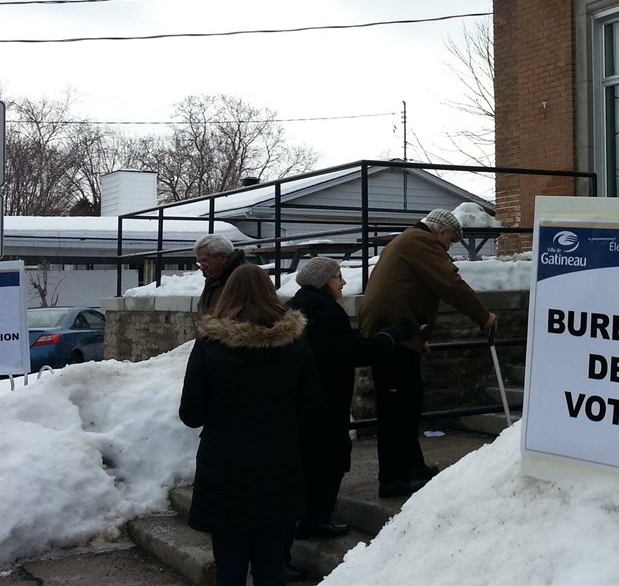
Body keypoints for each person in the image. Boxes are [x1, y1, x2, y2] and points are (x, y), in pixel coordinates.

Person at [179, 264, 318, 586]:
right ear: (270, 293)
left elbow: (192, 414)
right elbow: (312, 405)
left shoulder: (210, 345)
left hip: (225, 464)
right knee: (272, 564)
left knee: (229, 565)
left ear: (227, 294)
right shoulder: (295, 343)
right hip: (280, 460)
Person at [358, 209, 498, 499]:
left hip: (394, 334)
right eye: (450, 240)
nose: (448, 247)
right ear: (440, 231)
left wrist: (418, 338)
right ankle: (395, 478)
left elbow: (403, 292)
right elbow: (450, 284)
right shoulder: (422, 243)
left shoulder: (405, 241)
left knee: (408, 403)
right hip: (392, 338)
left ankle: (413, 467)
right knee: (398, 409)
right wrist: (483, 316)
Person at [286, 258, 410, 540]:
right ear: (322, 282)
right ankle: (315, 520)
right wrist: (389, 339)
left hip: (306, 400)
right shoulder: (325, 312)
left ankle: (308, 517)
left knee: (312, 460)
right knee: (329, 460)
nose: (342, 282)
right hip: (326, 400)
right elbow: (350, 353)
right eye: (337, 277)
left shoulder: (299, 306)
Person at [194, 234, 247, 314]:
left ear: (222, 257)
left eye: (204, 261)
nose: (202, 267)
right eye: (200, 263)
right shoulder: (213, 279)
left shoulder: (245, 277)